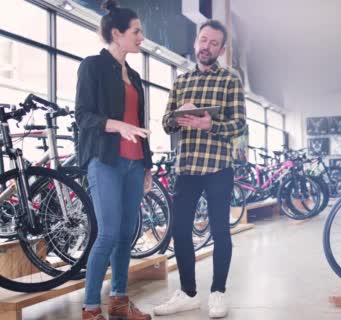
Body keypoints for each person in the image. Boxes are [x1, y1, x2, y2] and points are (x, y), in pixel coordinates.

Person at [153, 20, 246, 318]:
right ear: (196, 42)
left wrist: (211, 124)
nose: (207, 46)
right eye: (203, 40)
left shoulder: (230, 80)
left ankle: (218, 292)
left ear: (221, 49)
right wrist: (179, 115)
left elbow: (240, 124)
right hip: (187, 166)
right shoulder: (181, 81)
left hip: (218, 166)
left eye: (214, 43)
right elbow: (167, 124)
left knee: (220, 231)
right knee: (179, 231)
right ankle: (188, 293)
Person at [75, 0, 153, 319]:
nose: (141, 37)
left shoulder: (134, 77)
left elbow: (140, 122)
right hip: (105, 160)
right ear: (117, 34)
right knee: (107, 233)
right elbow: (83, 116)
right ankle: (92, 307)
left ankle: (119, 299)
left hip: (134, 164)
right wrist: (116, 125)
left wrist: (147, 166)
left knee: (126, 234)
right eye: (136, 31)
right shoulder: (92, 66)